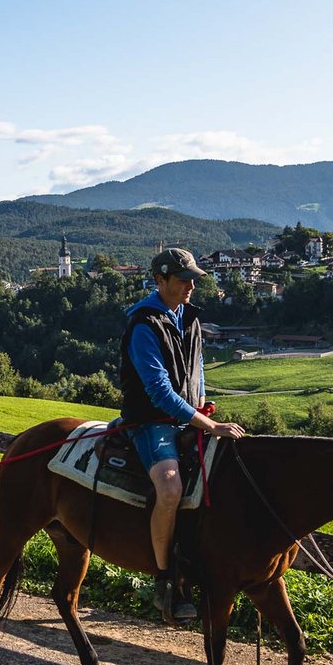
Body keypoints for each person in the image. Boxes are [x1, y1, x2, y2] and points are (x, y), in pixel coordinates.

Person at [120, 247, 245, 622]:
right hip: (152, 421)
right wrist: (208, 425)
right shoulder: (144, 325)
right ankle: (163, 579)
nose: (191, 286)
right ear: (160, 281)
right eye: (183, 279)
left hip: (188, 416)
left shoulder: (187, 317)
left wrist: (201, 402)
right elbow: (158, 392)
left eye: (193, 279)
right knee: (171, 487)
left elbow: (198, 370)